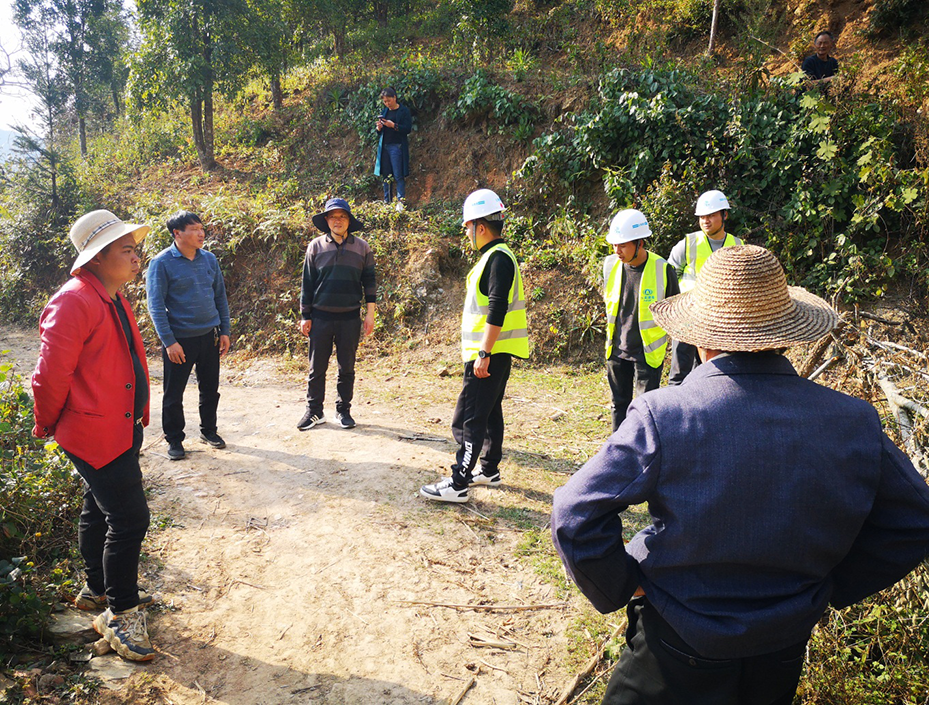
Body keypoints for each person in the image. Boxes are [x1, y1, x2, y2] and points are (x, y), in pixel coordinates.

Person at [551, 245, 929, 705]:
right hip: (782, 647)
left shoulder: (666, 414)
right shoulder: (852, 419)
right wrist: (833, 585)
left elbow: (574, 512)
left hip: (677, 641)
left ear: (698, 338)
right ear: (786, 336)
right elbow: (916, 519)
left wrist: (621, 583)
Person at [32, 210, 157, 662]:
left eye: (134, 248)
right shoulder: (73, 301)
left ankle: (96, 588)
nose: (136, 256)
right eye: (126, 250)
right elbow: (49, 376)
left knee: (98, 506)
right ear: (98, 257)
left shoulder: (111, 294)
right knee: (130, 518)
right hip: (92, 430)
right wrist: (46, 422)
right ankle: (120, 612)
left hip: (118, 424)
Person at [420, 189, 529, 503]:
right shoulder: (498, 257)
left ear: (481, 227)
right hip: (495, 351)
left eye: (468, 226)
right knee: (490, 411)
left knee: (469, 417)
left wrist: (484, 352)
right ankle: (489, 469)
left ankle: (458, 483)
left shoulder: (497, 260)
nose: (467, 232)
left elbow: (496, 308)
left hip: (488, 353)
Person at [146, 211, 231, 461]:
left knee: (210, 388)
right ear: (177, 233)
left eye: (202, 228)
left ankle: (209, 431)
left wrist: (224, 330)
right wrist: (169, 341)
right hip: (180, 340)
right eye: (194, 229)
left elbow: (220, 297)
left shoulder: (209, 259)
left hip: (210, 336)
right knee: (174, 393)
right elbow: (156, 305)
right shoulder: (161, 263)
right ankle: (174, 439)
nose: (201, 233)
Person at [297, 198, 377, 431]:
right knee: (316, 367)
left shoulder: (362, 247)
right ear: (326, 221)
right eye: (333, 217)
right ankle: (314, 411)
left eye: (342, 216)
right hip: (321, 317)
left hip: (350, 317)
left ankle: (343, 410)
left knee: (347, 367)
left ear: (349, 221)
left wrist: (370, 314)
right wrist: (306, 315)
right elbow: (307, 283)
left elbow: (369, 283)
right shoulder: (315, 246)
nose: (337, 221)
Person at [602, 209, 678, 432]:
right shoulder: (609, 266)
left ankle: (644, 455)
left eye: (623, 245)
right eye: (614, 245)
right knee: (619, 406)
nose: (617, 251)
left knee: (645, 410)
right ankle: (618, 453)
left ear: (640, 242)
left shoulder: (663, 269)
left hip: (647, 352)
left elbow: (674, 312)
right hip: (616, 350)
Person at [666, 189, 742, 384]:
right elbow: (669, 274)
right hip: (687, 318)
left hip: (719, 321)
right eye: (702, 217)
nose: (705, 220)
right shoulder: (689, 243)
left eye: (711, 215)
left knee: (713, 373)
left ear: (724, 215)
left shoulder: (737, 245)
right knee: (679, 374)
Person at [374, 87, 412, 209]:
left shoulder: (404, 111)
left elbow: (407, 129)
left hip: (397, 146)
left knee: (398, 174)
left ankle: (400, 201)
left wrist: (394, 125)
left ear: (395, 98)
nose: (387, 104)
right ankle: (387, 201)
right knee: (386, 175)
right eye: (385, 101)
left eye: (389, 101)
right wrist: (379, 128)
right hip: (384, 146)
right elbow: (380, 132)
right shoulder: (385, 111)